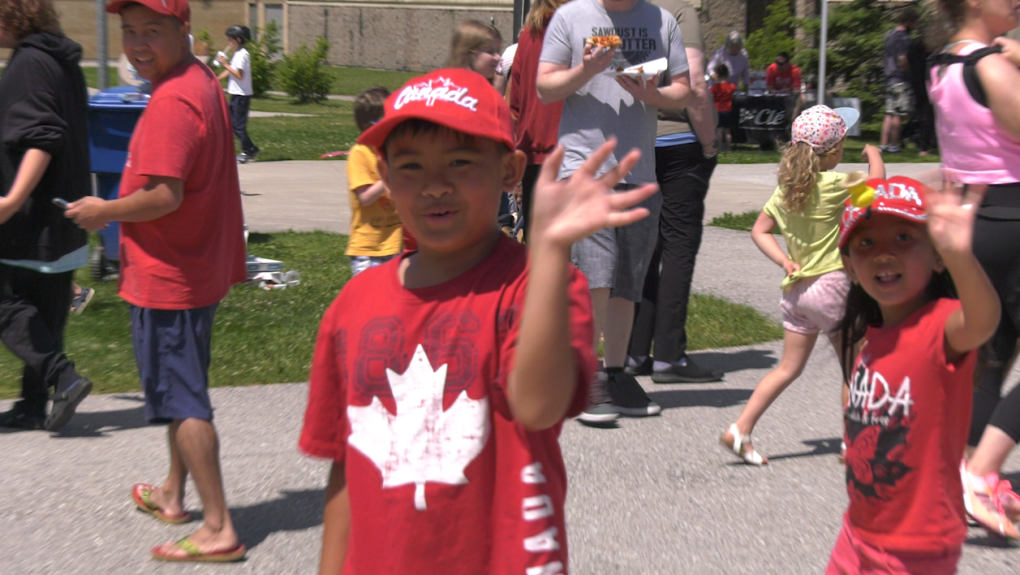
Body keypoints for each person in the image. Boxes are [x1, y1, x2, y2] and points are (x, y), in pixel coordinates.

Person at [299, 67, 655, 574]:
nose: (435, 186)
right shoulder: (352, 305)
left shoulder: (542, 286)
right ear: (383, 174)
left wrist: (551, 249)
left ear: (509, 171)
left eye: (461, 162)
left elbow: (538, 406)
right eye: (410, 166)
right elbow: (346, 468)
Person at [66, 0, 248, 561]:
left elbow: (164, 195)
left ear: (182, 27)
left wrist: (104, 211)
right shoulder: (200, 80)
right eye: (129, 31)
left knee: (185, 398)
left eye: (153, 30)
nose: (138, 43)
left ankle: (218, 528)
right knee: (180, 387)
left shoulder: (173, 100)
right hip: (197, 268)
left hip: (171, 276)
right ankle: (173, 493)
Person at [826, 177, 999, 574]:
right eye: (866, 243)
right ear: (850, 267)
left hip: (915, 547)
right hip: (858, 531)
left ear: (937, 257)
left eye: (904, 237)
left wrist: (960, 255)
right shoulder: (873, 337)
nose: (884, 253)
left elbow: (982, 322)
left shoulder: (941, 327)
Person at [537, 0, 691, 426]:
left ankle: (617, 373)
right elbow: (544, 86)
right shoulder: (571, 16)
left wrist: (652, 94)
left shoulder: (660, 20)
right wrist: (585, 71)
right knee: (595, 276)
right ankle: (586, 378)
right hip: (585, 168)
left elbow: (684, 88)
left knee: (629, 280)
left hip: (640, 169)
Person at [719, 106, 884, 464]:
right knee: (856, 367)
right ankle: (853, 442)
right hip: (833, 287)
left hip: (796, 291)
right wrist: (874, 157)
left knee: (788, 367)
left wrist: (784, 260)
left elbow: (758, 230)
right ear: (836, 150)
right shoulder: (838, 183)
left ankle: (741, 428)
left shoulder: (788, 188)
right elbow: (876, 192)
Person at [929, 0, 1020, 541]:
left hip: (977, 220)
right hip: (1012, 216)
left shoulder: (942, 62)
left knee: (992, 356)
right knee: (991, 355)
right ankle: (981, 475)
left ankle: (957, 479)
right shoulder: (988, 66)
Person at [0, 0, 93, 432]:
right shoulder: (63, 60)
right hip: (66, 216)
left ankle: (62, 376)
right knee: (45, 311)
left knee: (7, 304)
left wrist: (13, 199)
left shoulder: (29, 63)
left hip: (34, 218)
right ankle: (33, 404)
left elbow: (42, 136)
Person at [626, 0, 723, 383]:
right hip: (680, 141)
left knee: (645, 249)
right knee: (679, 245)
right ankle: (669, 355)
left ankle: (634, 351)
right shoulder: (680, 10)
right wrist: (710, 142)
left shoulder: (623, 10)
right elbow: (695, 84)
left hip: (636, 139)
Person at [509, 0, 570, 241]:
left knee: (538, 247)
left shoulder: (527, 37)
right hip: (571, 152)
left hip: (533, 154)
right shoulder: (578, 33)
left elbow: (514, 105)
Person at [346, 86, 402, 276]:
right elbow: (366, 197)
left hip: (394, 244)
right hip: (367, 249)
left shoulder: (391, 152)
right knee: (368, 302)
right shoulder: (359, 153)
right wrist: (392, 174)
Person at [216, 25, 260, 164]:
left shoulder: (243, 55)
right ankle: (235, 150)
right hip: (236, 94)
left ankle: (250, 150)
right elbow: (230, 71)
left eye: (230, 40)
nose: (229, 43)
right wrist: (215, 79)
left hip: (242, 95)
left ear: (239, 39)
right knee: (229, 123)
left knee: (238, 126)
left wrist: (224, 64)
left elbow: (239, 75)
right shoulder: (237, 54)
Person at [881, 9, 918, 153]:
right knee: (898, 113)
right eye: (914, 23)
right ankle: (894, 145)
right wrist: (911, 71)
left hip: (889, 77)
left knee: (889, 113)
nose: (915, 27)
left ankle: (883, 144)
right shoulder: (903, 38)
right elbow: (902, 59)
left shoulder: (889, 35)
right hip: (900, 78)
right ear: (907, 21)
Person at [447, 20, 502, 85]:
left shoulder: (498, 86)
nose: (498, 58)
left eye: (498, 51)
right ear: (468, 53)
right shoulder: (447, 86)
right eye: (490, 51)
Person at [710, 64, 735, 151]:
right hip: (728, 109)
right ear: (727, 74)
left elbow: (711, 96)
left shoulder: (714, 87)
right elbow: (734, 95)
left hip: (718, 110)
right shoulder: (731, 86)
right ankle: (728, 147)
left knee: (719, 130)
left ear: (717, 75)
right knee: (727, 131)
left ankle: (719, 147)